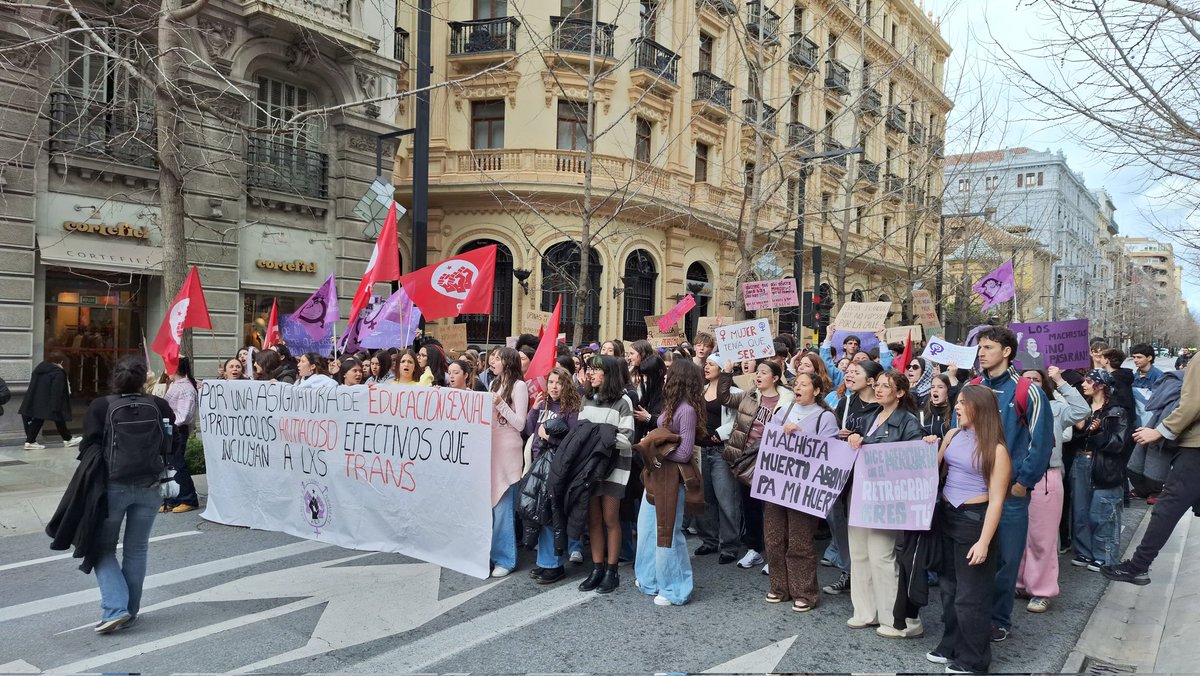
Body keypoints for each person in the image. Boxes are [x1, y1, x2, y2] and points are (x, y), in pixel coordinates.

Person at [48, 357, 175, 634]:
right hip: (151, 485)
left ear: (114, 378)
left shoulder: (101, 406)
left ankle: (116, 609)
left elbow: (89, 446)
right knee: (137, 549)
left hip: (111, 487)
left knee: (102, 548)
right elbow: (172, 440)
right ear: (144, 380)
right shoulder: (159, 405)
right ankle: (129, 614)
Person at [969, 326, 1054, 643]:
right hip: (974, 491)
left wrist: (1023, 482)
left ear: (1007, 352)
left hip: (1010, 494)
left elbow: (1041, 443)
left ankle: (998, 620)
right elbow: (959, 432)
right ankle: (971, 615)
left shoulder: (1028, 391)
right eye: (980, 347)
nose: (981, 353)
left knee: (1006, 560)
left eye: (988, 347)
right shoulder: (972, 387)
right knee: (974, 555)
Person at [927, 385, 1012, 675]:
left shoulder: (997, 450)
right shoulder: (952, 435)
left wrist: (984, 542)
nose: (957, 406)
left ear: (980, 408)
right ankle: (950, 645)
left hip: (974, 521)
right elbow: (932, 470)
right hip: (947, 516)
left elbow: (997, 501)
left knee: (971, 595)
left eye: (963, 402)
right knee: (948, 589)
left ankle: (974, 660)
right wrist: (928, 446)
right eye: (958, 402)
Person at [1104, 352, 1200, 586]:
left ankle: (1138, 567)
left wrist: (1160, 430)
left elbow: (1192, 404)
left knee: (1167, 507)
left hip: (1196, 448)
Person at [845, 369, 924, 636]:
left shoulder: (908, 422)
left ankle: (896, 620)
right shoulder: (870, 417)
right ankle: (866, 611)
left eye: (886, 386)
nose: (878, 389)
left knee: (881, 556)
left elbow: (915, 461)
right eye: (877, 385)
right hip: (862, 493)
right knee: (859, 553)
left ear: (900, 393)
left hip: (887, 499)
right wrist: (854, 439)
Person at [765, 371, 839, 612]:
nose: (797, 387)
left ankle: (805, 593)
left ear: (816, 391)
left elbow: (830, 451)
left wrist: (802, 436)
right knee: (774, 538)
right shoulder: (783, 411)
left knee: (800, 540)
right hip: (778, 483)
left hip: (804, 488)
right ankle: (779, 587)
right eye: (796, 384)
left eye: (804, 384)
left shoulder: (825, 417)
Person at [1016, 366, 1088, 613]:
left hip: (1046, 478)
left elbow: (1082, 411)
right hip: (1016, 478)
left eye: (1035, 379)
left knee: (1042, 538)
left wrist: (1060, 381)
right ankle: (1021, 583)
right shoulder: (1014, 409)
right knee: (1018, 535)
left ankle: (1042, 590)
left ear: (1043, 384)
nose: (1030, 383)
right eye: (1025, 380)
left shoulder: (1055, 408)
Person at [634, 359, 704, 606]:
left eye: (670, 373)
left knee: (667, 532)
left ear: (679, 379)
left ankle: (676, 589)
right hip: (657, 474)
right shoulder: (673, 405)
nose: (665, 376)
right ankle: (650, 580)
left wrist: (652, 448)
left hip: (672, 478)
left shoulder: (687, 410)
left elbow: (684, 453)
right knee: (647, 529)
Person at [724, 360, 795, 572]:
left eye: (764, 372)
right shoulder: (750, 395)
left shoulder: (789, 400)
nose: (758, 375)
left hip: (773, 459)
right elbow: (725, 398)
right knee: (750, 505)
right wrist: (727, 372)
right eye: (758, 372)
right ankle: (754, 548)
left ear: (775, 377)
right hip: (747, 458)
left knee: (774, 509)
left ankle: (777, 554)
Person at [822, 359, 885, 595]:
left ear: (871, 380)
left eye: (855, 372)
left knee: (865, 525)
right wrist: (838, 434)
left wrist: (863, 440)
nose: (849, 375)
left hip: (870, 474)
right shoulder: (846, 402)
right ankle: (847, 570)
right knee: (836, 517)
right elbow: (831, 433)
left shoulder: (883, 406)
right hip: (844, 470)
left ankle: (869, 576)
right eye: (848, 372)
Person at [577, 354, 635, 594]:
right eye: (589, 369)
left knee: (611, 518)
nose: (590, 373)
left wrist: (598, 437)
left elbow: (627, 438)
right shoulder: (586, 398)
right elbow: (580, 432)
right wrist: (598, 436)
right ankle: (597, 568)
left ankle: (612, 571)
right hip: (590, 467)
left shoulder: (623, 401)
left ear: (608, 374)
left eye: (595, 369)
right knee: (593, 520)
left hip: (615, 467)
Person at [1070, 369, 1132, 571]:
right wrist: (1081, 430)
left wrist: (1097, 433)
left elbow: (1119, 443)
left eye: (1088, 381)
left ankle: (1104, 556)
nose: (1083, 384)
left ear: (1101, 385)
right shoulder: (1082, 407)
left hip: (1105, 464)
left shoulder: (1116, 411)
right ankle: (1084, 552)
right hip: (1081, 460)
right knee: (1080, 511)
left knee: (1103, 511)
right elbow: (1074, 438)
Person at [524, 367, 581, 583]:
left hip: (556, 468)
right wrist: (534, 409)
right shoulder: (544, 404)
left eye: (559, 382)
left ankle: (554, 565)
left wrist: (550, 438)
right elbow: (529, 430)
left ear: (566, 385)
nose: (554, 387)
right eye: (551, 382)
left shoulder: (572, 409)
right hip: (539, 464)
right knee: (539, 514)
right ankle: (544, 561)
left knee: (550, 515)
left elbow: (572, 440)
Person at [694, 353, 742, 563]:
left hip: (721, 450)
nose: (706, 367)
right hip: (701, 449)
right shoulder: (700, 390)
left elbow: (739, 420)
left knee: (726, 499)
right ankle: (709, 540)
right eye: (706, 364)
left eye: (711, 364)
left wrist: (720, 433)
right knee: (705, 499)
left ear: (722, 369)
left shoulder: (734, 392)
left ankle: (729, 545)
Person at [488, 347, 528, 578]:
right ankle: (490, 554)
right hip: (491, 448)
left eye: (498, 358)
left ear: (508, 362)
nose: (493, 362)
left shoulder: (519, 386)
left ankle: (505, 558)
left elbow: (520, 424)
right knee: (491, 505)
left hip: (508, 450)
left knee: (503, 506)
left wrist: (501, 403)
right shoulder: (494, 383)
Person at [160, 357, 200, 513]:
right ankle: (172, 499)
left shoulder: (186, 388)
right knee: (168, 464)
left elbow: (185, 415)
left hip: (176, 429)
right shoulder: (176, 384)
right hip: (168, 428)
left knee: (177, 464)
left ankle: (188, 498)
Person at [21, 352, 80, 450]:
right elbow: (57, 390)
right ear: (61, 361)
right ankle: (30, 441)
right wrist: (57, 404)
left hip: (37, 399)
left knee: (42, 419)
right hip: (50, 400)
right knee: (52, 418)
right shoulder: (58, 372)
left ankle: (67, 438)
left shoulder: (40, 369)